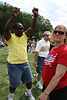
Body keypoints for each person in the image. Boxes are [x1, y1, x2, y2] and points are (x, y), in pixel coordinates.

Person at [4, 7, 38, 100]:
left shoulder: (24, 36)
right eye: (19, 28)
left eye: (22, 28)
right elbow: (6, 29)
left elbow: (32, 27)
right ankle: (10, 96)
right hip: (14, 65)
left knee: (29, 81)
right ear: (14, 29)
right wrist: (13, 17)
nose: (22, 30)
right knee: (14, 84)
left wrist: (35, 16)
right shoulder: (10, 37)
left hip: (25, 63)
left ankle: (29, 93)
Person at [38, 25, 67, 100]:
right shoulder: (53, 49)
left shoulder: (65, 51)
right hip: (48, 86)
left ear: (65, 36)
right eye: (55, 31)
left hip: (58, 90)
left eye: (61, 32)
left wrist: (45, 93)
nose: (57, 34)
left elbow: (59, 75)